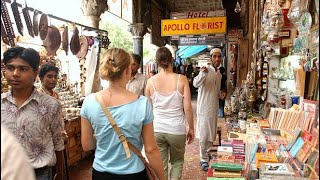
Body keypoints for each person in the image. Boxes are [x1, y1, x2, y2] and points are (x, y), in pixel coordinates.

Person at [80, 48, 165, 180]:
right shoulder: (142, 104)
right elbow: (151, 150)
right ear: (127, 70)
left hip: (101, 173)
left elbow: (87, 145)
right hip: (133, 174)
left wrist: (105, 136)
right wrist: (162, 177)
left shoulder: (89, 102)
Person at [1, 47, 65, 180]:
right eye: (10, 68)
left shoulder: (51, 105)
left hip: (40, 173)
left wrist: (60, 172)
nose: (15, 74)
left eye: (23, 69)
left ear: (35, 72)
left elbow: (58, 141)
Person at [145, 46, 195, 180]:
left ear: (157, 62)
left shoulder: (150, 82)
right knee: (177, 162)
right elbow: (188, 108)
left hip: (157, 129)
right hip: (177, 129)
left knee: (161, 165)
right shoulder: (182, 79)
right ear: (172, 60)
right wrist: (191, 128)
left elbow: (147, 110)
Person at [193, 48, 222, 171]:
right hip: (204, 108)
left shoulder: (219, 74)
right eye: (214, 56)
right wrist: (202, 73)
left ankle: (207, 154)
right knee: (204, 134)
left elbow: (218, 91)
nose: (217, 59)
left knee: (211, 133)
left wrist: (222, 94)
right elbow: (195, 84)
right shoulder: (205, 70)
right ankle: (203, 159)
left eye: (219, 57)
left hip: (214, 108)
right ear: (211, 58)